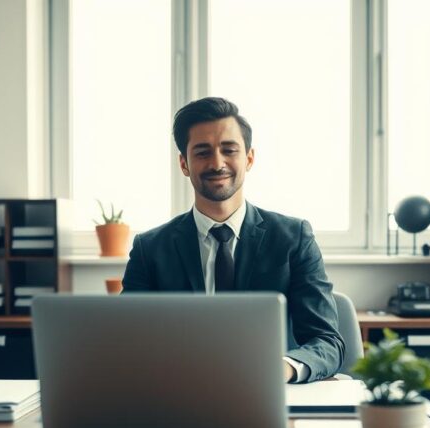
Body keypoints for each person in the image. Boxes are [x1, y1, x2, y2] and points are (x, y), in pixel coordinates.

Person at [122, 97, 345, 383]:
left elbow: (327, 342)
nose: (217, 163)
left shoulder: (293, 238)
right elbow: (127, 340)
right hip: (177, 392)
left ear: (249, 158)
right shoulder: (149, 249)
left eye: (229, 150)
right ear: (184, 164)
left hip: (265, 391)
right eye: (202, 152)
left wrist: (284, 368)